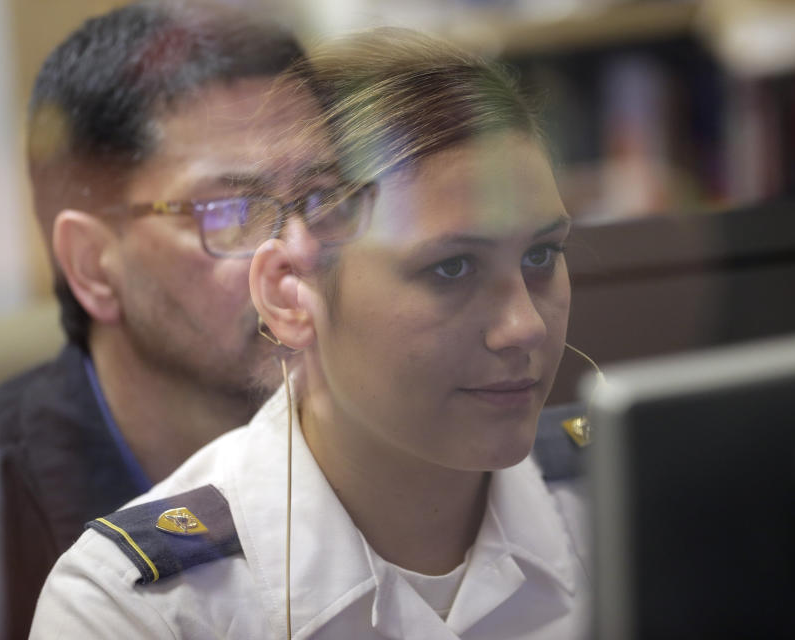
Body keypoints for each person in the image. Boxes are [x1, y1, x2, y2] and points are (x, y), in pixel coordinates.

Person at [30, 28, 589, 639]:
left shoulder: (626, 499)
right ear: (290, 295)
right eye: (451, 268)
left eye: (541, 256)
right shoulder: (137, 609)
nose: (523, 327)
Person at [0, 2, 335, 637]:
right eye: (231, 211)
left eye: (321, 196)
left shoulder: (392, 439)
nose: (303, 249)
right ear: (93, 265)